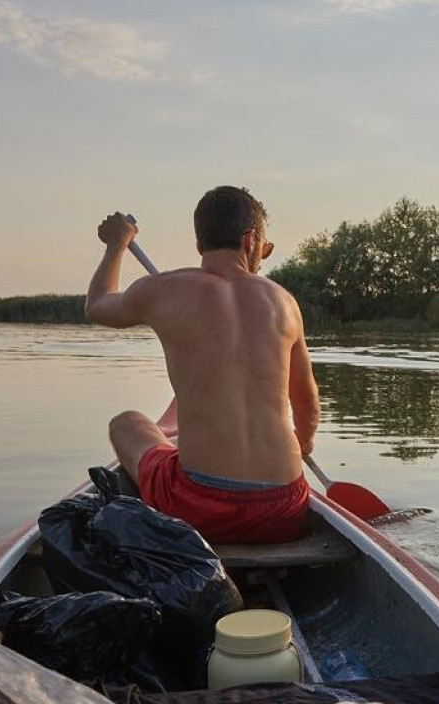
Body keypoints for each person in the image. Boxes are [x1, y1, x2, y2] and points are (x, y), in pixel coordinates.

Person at [84, 186, 320, 544]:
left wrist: (117, 243)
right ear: (251, 241)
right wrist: (302, 445)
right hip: (284, 510)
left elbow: (97, 305)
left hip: (199, 510)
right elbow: (306, 404)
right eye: (265, 251)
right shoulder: (284, 302)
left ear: (200, 246)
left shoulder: (162, 289)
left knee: (127, 423)